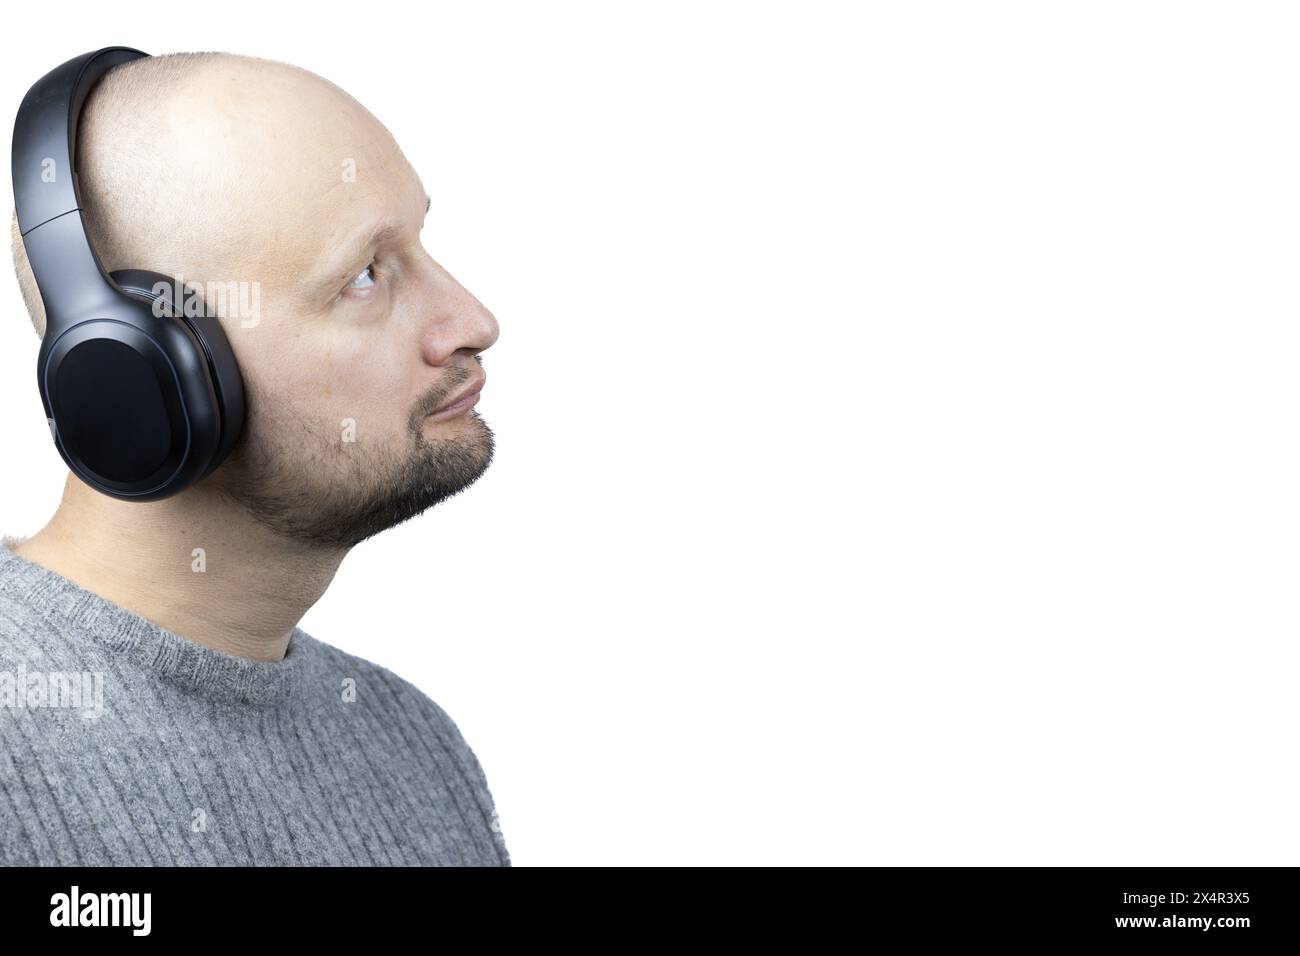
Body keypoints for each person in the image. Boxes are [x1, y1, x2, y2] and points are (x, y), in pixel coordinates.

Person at [0, 51, 509, 865]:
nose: (472, 320)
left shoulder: (419, 751)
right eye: (366, 275)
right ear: (146, 373)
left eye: (420, 244)